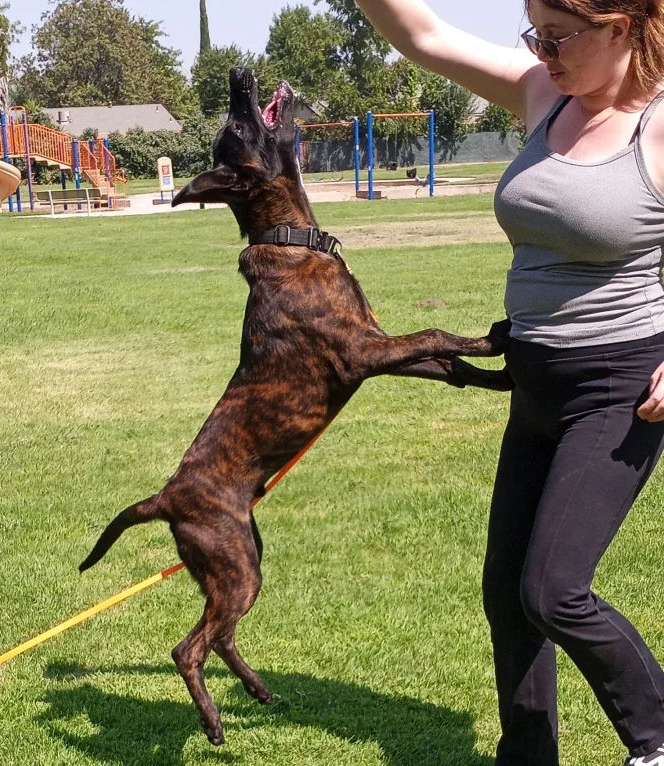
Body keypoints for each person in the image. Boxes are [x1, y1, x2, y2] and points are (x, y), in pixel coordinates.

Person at [354, 0, 664, 763]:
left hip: (618, 390)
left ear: (621, 27)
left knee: (552, 590)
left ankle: (658, 738)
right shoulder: (542, 92)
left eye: (558, 36)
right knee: (507, 597)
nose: (542, 51)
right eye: (534, 33)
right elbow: (422, 34)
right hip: (534, 386)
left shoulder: (658, 126)